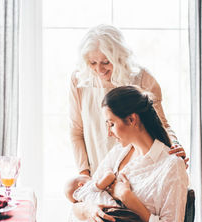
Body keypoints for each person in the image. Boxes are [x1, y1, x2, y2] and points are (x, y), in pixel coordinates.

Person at [39, 86, 189, 222]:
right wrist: (90, 210)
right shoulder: (119, 152)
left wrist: (128, 198)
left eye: (111, 123)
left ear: (132, 119)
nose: (109, 133)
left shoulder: (171, 166)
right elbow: (78, 205)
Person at [69, 24, 187, 177]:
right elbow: (76, 131)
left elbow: (161, 124)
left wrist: (175, 145)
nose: (99, 69)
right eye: (93, 63)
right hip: (97, 170)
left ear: (119, 57)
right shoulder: (80, 80)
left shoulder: (142, 78)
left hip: (138, 171)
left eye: (106, 62)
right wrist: (84, 173)